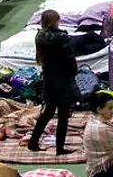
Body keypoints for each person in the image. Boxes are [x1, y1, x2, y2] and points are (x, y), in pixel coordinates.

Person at [27, 10, 76, 154]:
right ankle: (59, 147)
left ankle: (33, 142)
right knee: (63, 114)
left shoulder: (39, 37)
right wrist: (73, 72)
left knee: (48, 112)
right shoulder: (62, 38)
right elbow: (69, 58)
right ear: (57, 20)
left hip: (48, 78)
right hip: (63, 78)